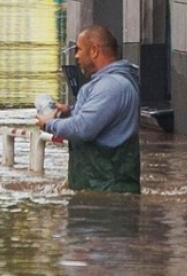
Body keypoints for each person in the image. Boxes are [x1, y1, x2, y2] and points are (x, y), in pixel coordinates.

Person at [35, 25, 141, 193]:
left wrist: (49, 124)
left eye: (79, 49)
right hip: (98, 190)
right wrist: (68, 112)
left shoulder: (111, 86)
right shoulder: (105, 84)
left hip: (108, 195)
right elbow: (93, 120)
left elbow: (83, 128)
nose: (76, 55)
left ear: (94, 51)